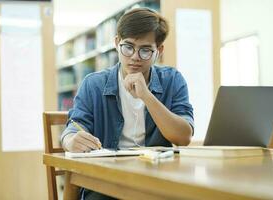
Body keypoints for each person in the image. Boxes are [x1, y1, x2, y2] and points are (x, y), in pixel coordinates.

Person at [61, 7, 194, 200]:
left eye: (146, 50)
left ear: (159, 50)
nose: (135, 57)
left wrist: (147, 96)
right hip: (106, 181)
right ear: (116, 43)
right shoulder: (93, 84)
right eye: (128, 46)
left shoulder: (173, 80)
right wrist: (70, 140)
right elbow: (72, 129)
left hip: (156, 179)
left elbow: (183, 137)